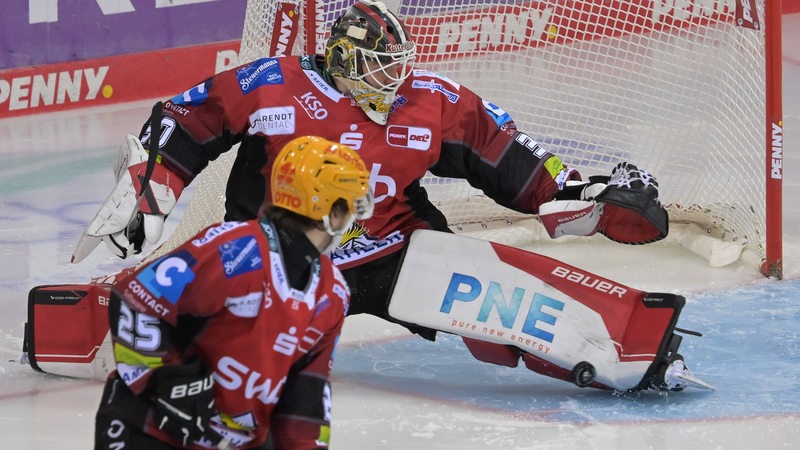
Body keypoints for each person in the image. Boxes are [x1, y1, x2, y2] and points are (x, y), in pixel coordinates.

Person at [68, 0, 668, 384]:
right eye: (382, 65)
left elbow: (511, 159)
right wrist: (152, 188)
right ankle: (80, 325)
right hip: (278, 259)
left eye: (400, 64)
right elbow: (184, 120)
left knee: (498, 298)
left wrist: (578, 194)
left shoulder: (432, 100)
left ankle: (620, 343)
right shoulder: (270, 85)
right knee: (163, 329)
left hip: (392, 251)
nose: (397, 77)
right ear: (343, 59)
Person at [93, 136, 374, 450]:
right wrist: (167, 381)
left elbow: (306, 399)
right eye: (349, 206)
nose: (353, 217)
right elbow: (135, 299)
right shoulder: (236, 251)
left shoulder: (332, 292)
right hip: (149, 430)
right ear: (332, 212)